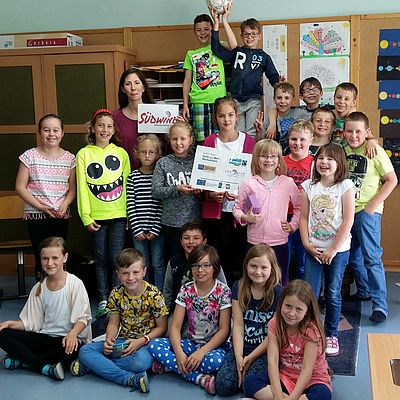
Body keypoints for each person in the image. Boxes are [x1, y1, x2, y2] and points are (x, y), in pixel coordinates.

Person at [71, 248, 168, 393]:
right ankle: (128, 378)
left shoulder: (154, 295)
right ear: (118, 274)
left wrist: (141, 341)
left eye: (135, 272)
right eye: (125, 273)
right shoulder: (116, 293)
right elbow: (114, 323)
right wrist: (109, 339)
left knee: (141, 362)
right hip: (121, 342)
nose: (130, 278)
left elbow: (161, 328)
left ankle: (93, 366)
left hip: (145, 344)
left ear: (144, 271)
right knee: (85, 351)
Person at [0, 237, 92, 381]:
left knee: (68, 352)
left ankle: (25, 360)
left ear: (65, 258)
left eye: (55, 258)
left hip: (66, 340)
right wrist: (10, 324)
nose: (50, 263)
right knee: (2, 334)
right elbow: (31, 322)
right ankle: (44, 368)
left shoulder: (75, 283)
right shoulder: (39, 287)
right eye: (45, 259)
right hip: (45, 338)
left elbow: (83, 318)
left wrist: (73, 334)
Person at [148, 244, 231, 395]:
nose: (200, 270)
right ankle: (198, 378)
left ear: (215, 268)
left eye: (206, 265)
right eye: (196, 265)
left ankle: (169, 367)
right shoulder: (186, 289)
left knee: (215, 362)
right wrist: (179, 353)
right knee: (154, 345)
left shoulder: (223, 291)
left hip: (212, 347)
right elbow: (175, 326)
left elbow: (224, 330)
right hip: (190, 342)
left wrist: (201, 352)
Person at [300, 143, 355, 356]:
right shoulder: (308, 186)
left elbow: (348, 219)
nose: (324, 162)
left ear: (339, 163)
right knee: (311, 293)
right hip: (313, 249)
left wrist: (333, 249)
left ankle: (331, 333)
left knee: (332, 292)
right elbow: (304, 218)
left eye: (330, 159)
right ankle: (310, 330)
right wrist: (306, 243)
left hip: (338, 251)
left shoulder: (346, 186)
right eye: (321, 158)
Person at [343, 112, 398, 323]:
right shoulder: (343, 150)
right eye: (350, 131)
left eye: (358, 131)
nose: (354, 135)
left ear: (367, 132)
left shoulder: (375, 151)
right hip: (347, 212)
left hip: (367, 212)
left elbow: (391, 180)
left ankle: (380, 305)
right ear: (344, 132)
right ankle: (364, 290)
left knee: (372, 258)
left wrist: (372, 206)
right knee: (352, 257)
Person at [76, 108, 130, 318]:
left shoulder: (121, 153)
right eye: (100, 125)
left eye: (109, 126)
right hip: (96, 216)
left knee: (116, 258)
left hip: (118, 215)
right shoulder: (84, 154)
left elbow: (126, 185)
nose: (105, 130)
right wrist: (86, 217)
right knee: (100, 258)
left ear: (114, 129)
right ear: (93, 128)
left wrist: (128, 215)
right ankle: (103, 299)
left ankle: (116, 297)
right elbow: (82, 186)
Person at [243, 280, 332, 400]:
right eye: (288, 306)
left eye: (298, 309)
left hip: (313, 379)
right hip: (285, 376)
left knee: (323, 396)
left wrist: (293, 398)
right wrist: (278, 394)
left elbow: (307, 370)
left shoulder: (312, 332)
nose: (291, 313)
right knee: (250, 382)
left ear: (307, 311)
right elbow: (273, 361)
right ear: (281, 303)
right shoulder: (274, 325)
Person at [215, 244, 283, 397]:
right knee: (223, 387)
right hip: (242, 346)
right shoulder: (238, 287)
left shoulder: (279, 293)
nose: (258, 272)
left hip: (265, 350)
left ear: (272, 268)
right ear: (246, 266)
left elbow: (274, 334)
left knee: (249, 385)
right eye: (253, 266)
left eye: (263, 267)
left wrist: (250, 358)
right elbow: (238, 325)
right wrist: (239, 358)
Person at [15, 114, 76, 281]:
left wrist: (66, 204)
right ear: (39, 133)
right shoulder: (29, 156)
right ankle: (41, 291)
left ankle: (61, 290)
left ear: (62, 133)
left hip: (60, 213)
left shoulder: (70, 159)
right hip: (37, 213)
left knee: (59, 254)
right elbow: (20, 186)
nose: (51, 134)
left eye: (56, 130)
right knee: (42, 254)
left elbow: (72, 189)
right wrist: (40, 206)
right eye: (46, 130)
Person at [202, 95, 256, 285]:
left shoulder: (249, 142)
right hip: (218, 213)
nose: (226, 120)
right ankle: (223, 298)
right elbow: (202, 178)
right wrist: (210, 194)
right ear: (216, 117)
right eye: (222, 115)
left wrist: (250, 202)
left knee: (242, 257)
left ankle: (240, 297)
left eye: (230, 115)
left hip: (243, 212)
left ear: (237, 116)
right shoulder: (208, 142)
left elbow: (256, 178)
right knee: (220, 256)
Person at [233, 139, 301, 285]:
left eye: (273, 156)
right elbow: (237, 208)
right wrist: (245, 217)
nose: (268, 160)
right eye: (264, 156)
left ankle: (278, 307)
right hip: (255, 242)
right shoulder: (249, 184)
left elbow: (300, 207)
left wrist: (293, 225)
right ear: (256, 159)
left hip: (280, 242)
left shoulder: (287, 183)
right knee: (254, 279)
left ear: (279, 159)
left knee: (280, 279)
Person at [211, 10, 280, 138]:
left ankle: (250, 157)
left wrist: (279, 85)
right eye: (246, 34)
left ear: (260, 35)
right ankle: (239, 157)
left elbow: (273, 75)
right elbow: (216, 49)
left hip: (253, 100)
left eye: (254, 34)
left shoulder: (264, 57)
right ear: (242, 36)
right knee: (238, 134)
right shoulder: (236, 52)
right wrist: (216, 25)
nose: (250, 37)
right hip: (235, 100)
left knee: (252, 132)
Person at [152, 120, 201, 263]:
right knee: (175, 261)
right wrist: (176, 189)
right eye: (174, 139)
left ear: (191, 140)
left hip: (194, 222)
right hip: (171, 223)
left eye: (183, 139)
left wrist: (200, 193)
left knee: (195, 260)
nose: (178, 142)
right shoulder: (163, 163)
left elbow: (205, 192)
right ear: (169, 139)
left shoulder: (197, 162)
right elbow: (156, 191)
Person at [182, 12, 232, 142]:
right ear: (194, 32)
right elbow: (187, 81)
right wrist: (186, 104)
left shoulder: (218, 46)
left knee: (221, 138)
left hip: (219, 101)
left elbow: (233, 46)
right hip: (198, 102)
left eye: (206, 29)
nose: (202, 33)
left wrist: (219, 22)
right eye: (199, 30)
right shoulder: (191, 54)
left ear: (211, 29)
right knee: (201, 140)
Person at [163, 220, 227, 313]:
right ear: (181, 241)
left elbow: (223, 289)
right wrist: (166, 314)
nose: (191, 242)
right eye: (186, 238)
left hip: (209, 312)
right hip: (180, 312)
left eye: (196, 238)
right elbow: (168, 291)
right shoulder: (174, 262)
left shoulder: (212, 261)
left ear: (204, 241)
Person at [127, 134, 164, 290]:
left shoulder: (159, 176)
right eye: (143, 152)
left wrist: (156, 228)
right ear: (137, 153)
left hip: (157, 229)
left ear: (157, 154)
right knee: (143, 264)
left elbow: (162, 205)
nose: (147, 155)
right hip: (138, 230)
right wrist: (137, 228)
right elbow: (130, 204)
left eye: (151, 152)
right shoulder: (133, 177)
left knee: (158, 263)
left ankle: (160, 295)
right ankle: (145, 293)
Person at [283, 120, 314, 280]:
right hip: (284, 217)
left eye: (302, 139)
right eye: (294, 139)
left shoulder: (316, 163)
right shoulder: (281, 162)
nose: (298, 143)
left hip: (306, 217)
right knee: (284, 258)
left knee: (303, 260)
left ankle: (303, 296)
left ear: (311, 141)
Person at [113, 67, 155, 169]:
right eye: (128, 84)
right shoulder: (114, 117)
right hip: (123, 173)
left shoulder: (156, 114)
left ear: (143, 87)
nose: (133, 88)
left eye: (137, 83)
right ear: (123, 89)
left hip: (153, 174)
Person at [255, 83, 309, 153]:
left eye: (287, 98)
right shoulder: (270, 118)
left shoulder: (301, 114)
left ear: (293, 100)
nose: (283, 101)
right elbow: (260, 142)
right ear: (274, 100)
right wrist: (258, 132)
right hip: (275, 155)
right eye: (279, 98)